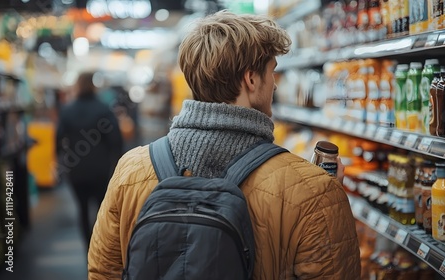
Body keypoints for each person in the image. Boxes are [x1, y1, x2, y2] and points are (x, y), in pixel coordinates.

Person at [88, 11, 360, 279]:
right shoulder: (312, 189)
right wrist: (326, 196)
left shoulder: (130, 170)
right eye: (272, 72)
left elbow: (103, 272)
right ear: (251, 79)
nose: (275, 87)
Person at [56, 71, 123, 250]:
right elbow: (116, 140)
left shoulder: (67, 109)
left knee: (82, 209)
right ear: (94, 85)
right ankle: (101, 247)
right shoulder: (103, 109)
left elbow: (58, 140)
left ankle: (88, 247)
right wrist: (116, 165)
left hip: (76, 169)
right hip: (100, 169)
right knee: (102, 209)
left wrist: (61, 162)